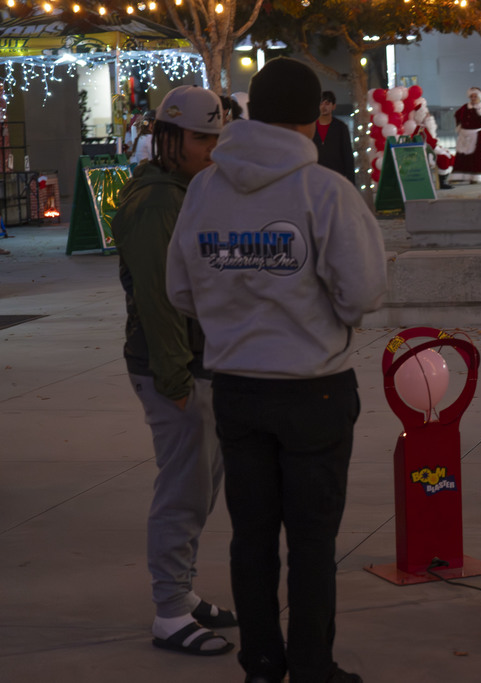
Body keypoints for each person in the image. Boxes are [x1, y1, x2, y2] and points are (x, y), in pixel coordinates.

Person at [166, 57, 386, 683]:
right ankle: (313, 666)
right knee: (312, 544)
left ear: (249, 115)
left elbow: (179, 291)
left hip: (236, 388)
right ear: (314, 119)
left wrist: (231, 311)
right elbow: (364, 290)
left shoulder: (205, 188)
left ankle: (261, 662)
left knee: (251, 536)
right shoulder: (325, 191)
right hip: (313, 389)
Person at [110, 85, 236, 657]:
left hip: (195, 361)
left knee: (199, 486)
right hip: (175, 366)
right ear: (167, 136)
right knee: (183, 490)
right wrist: (176, 379)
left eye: (216, 136)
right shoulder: (159, 199)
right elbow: (161, 299)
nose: (211, 147)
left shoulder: (188, 188)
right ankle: (168, 610)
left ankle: (180, 595)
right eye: (200, 137)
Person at [451, 86, 481, 183]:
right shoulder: (465, 107)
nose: (473, 98)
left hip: (477, 135)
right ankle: (460, 176)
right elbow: (457, 114)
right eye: (471, 96)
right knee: (462, 156)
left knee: (476, 158)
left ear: (479, 97)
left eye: (475, 96)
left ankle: (476, 176)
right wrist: (460, 125)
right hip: (464, 135)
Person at [313, 90, 356, 184]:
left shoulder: (341, 127)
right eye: (321, 103)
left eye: (327, 103)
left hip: (336, 176)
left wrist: (350, 181)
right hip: (315, 176)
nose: (323, 107)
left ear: (333, 106)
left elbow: (347, 155)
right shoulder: (311, 127)